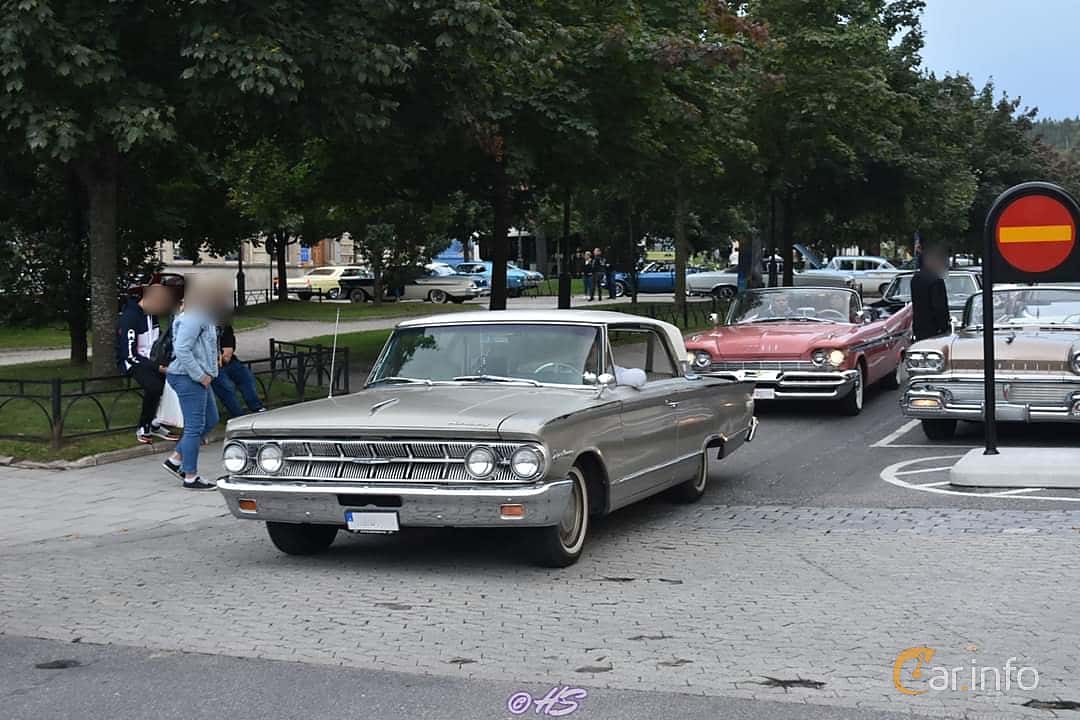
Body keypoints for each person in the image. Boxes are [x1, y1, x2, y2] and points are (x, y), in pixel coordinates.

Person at [162, 280, 225, 490]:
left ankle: (176, 459)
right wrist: (200, 375)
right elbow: (182, 350)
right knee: (194, 427)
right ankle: (191, 476)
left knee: (211, 419)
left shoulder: (202, 316)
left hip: (198, 377)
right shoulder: (192, 318)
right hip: (188, 377)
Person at [115, 284, 180, 445]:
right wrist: (157, 367)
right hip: (133, 362)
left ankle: (156, 422)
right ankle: (144, 425)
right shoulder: (130, 317)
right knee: (154, 386)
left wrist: (164, 362)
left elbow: (156, 343)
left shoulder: (152, 316)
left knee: (173, 382)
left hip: (151, 359)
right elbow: (129, 354)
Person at [211, 321, 266, 417]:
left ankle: (257, 408)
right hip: (212, 366)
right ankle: (238, 416)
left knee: (246, 378)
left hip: (230, 362)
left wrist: (223, 354)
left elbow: (227, 353)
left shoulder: (224, 327)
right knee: (226, 387)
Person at [910, 245, 951, 341]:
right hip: (934, 330)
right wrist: (944, 326)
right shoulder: (936, 281)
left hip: (919, 328)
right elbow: (939, 307)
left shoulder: (915, 279)